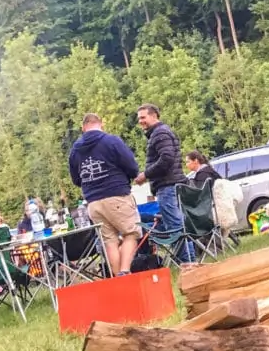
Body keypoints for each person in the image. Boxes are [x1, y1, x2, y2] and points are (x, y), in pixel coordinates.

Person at [69, 113, 143, 276]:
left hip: (93, 203)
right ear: (100, 124)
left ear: (83, 127)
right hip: (116, 195)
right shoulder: (111, 141)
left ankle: (118, 280)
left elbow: (76, 179)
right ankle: (124, 272)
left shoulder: (75, 150)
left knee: (110, 241)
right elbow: (132, 166)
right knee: (131, 233)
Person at [134, 104, 194, 264]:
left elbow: (166, 158)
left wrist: (145, 174)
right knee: (178, 225)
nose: (140, 121)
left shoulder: (160, 133)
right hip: (170, 185)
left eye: (143, 117)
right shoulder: (160, 133)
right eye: (139, 118)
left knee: (175, 227)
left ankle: (187, 263)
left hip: (167, 186)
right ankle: (190, 260)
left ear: (154, 116)